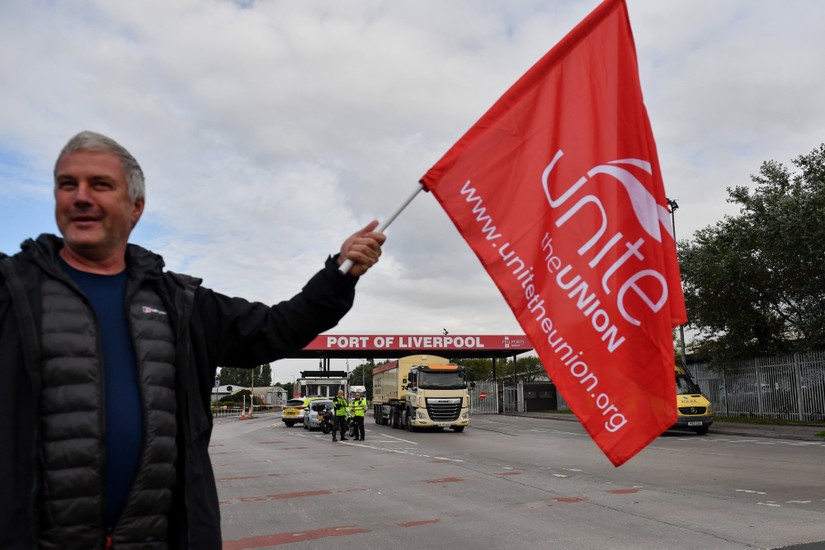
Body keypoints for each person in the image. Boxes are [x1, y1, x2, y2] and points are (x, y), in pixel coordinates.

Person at [0, 131, 386, 549]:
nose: (80, 196)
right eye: (67, 184)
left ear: (136, 206)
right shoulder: (12, 293)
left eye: (100, 184)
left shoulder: (180, 304)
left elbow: (278, 327)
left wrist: (339, 274)